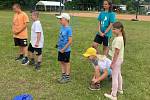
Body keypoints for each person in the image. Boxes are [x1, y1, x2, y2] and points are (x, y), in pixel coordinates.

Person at [104, 22, 126, 100]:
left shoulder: (118, 39)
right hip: (119, 60)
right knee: (118, 74)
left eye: (114, 29)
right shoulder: (120, 37)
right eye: (112, 29)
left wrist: (113, 63)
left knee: (114, 76)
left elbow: (116, 53)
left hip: (116, 60)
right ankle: (120, 89)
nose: (112, 30)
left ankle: (113, 95)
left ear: (120, 29)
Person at [56, 13, 73, 84]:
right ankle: (63, 75)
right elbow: (60, 37)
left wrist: (64, 49)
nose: (59, 21)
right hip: (60, 49)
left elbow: (70, 41)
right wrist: (58, 45)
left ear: (66, 20)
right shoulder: (62, 27)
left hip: (66, 50)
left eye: (61, 19)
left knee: (66, 63)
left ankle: (67, 77)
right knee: (61, 62)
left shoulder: (69, 29)